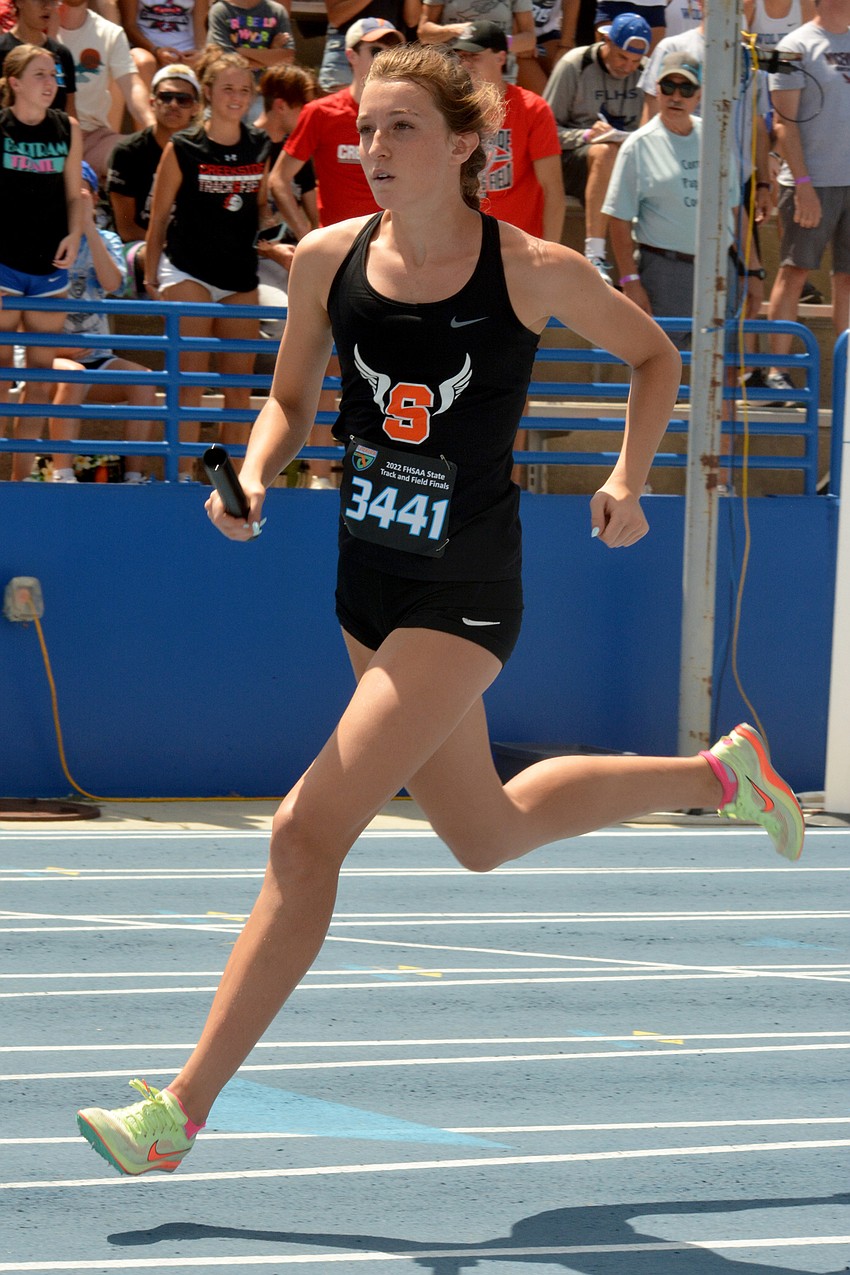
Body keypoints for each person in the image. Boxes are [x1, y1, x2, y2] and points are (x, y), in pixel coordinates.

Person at [75, 41, 804, 1177]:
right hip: (367, 582)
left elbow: (655, 360)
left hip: (463, 595)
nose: (374, 147)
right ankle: (722, 774)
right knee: (485, 833)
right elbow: (288, 399)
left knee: (304, 832)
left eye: (403, 127)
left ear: (467, 145)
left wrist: (626, 476)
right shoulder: (325, 258)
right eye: (365, 128)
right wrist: (261, 473)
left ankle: (179, 1108)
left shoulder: (532, 269)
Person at [269, 15, 406, 488]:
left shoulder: (410, 118)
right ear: (350, 56)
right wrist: (309, 240)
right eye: (374, 49)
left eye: (391, 47)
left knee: (394, 372)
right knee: (329, 368)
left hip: (402, 257)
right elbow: (279, 180)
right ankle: (325, 476)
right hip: (345, 262)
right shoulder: (323, 112)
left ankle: (382, 475)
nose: (383, 56)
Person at [144, 47, 270, 479]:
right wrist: (149, 273)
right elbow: (159, 217)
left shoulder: (260, 144)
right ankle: (177, 476)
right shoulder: (183, 146)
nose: (237, 96)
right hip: (186, 270)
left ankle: (227, 483)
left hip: (240, 275)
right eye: (227, 88)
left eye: (244, 89)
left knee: (238, 388)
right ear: (209, 94)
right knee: (190, 384)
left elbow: (263, 208)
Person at [603, 51, 739, 337]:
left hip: (718, 270)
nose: (676, 96)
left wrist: (750, 270)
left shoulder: (718, 139)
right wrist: (630, 282)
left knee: (719, 368)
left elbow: (734, 208)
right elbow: (618, 219)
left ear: (699, 95)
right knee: (660, 368)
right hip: (664, 272)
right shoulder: (637, 145)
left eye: (686, 88)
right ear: (657, 91)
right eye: (668, 87)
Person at [0, 42, 82, 482]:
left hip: (50, 267)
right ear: (14, 82)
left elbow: (74, 192)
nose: (51, 84)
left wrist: (73, 233)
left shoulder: (66, 127)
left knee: (40, 381)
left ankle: (18, 482)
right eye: (39, 75)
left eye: (53, 76)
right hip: (3, 265)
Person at [48, 160, 157, 482]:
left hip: (97, 356)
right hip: (50, 355)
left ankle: (133, 477)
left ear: (96, 198)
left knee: (145, 381)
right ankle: (61, 474)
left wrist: (89, 229)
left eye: (84, 193)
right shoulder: (41, 235)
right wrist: (61, 351)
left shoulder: (107, 239)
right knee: (74, 375)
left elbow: (112, 284)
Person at [765, 0, 850, 402]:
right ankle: (776, 373)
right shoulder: (791, 45)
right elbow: (782, 125)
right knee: (794, 271)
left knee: (848, 279)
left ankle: (849, 374)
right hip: (810, 182)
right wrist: (802, 183)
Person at [543, 10, 649, 282]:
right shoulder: (574, 65)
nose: (627, 67)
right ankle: (595, 254)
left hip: (625, 160)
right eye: (622, 57)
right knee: (605, 151)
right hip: (573, 159)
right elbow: (546, 133)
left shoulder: (646, 73)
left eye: (635, 61)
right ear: (607, 43)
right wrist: (588, 136)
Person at [451, 19, 565, 242]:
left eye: (475, 56)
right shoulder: (449, 109)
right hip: (462, 245)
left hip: (519, 245)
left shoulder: (533, 109)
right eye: (461, 57)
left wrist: (550, 254)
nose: (466, 64)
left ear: (501, 57)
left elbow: (553, 191)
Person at [105, 62, 201, 293]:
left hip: (188, 247)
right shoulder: (127, 152)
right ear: (152, 102)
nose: (173, 105)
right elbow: (127, 228)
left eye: (183, 99)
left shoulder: (203, 153)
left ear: (196, 108)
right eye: (165, 97)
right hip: (134, 246)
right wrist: (173, 246)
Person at [57, 0, 155, 179]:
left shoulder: (110, 33)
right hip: (50, 137)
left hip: (94, 138)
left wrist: (153, 126)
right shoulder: (40, 27)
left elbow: (132, 85)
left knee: (134, 157)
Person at [417, 0, 538, 89]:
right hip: (452, 76)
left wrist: (500, 41)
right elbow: (424, 33)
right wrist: (454, 30)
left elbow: (529, 38)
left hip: (499, 79)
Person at [317, 0, 421, 95]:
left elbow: (412, 20)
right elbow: (336, 17)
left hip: (390, 48)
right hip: (346, 51)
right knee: (334, 111)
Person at [0, 0, 76, 114]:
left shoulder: (62, 54)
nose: (47, 7)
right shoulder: (1, 51)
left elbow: (70, 111)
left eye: (52, 1)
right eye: (40, 0)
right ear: (20, 2)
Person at [118, 0, 209, 91]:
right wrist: (155, 51)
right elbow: (129, 26)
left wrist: (200, 52)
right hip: (148, 48)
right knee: (144, 62)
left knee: (205, 63)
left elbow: (201, 25)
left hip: (186, 51)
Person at [743, 0, 816, 48]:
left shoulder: (807, 4)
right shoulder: (749, 3)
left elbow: (810, 47)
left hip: (794, 69)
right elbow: (740, 47)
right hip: (757, 68)